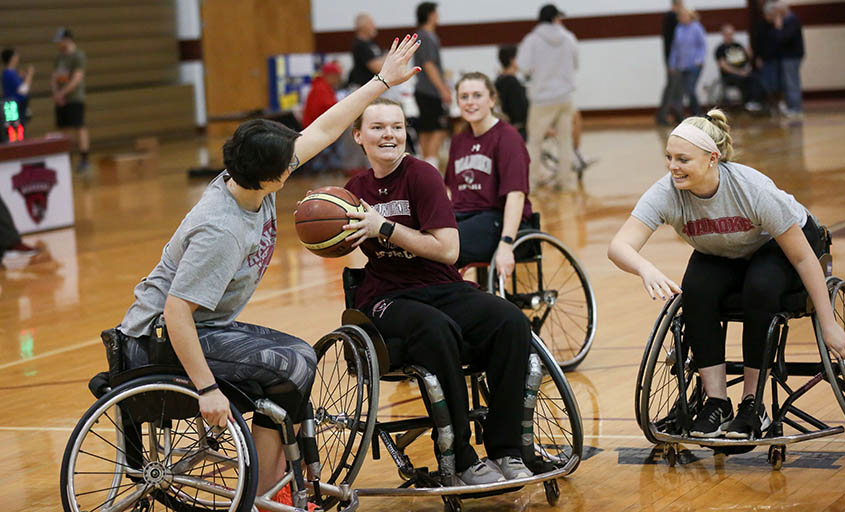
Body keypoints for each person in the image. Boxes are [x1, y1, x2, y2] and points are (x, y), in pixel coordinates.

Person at [116, 35, 421, 497]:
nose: (295, 164)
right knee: (289, 365)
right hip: (156, 340)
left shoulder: (250, 181)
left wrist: (380, 81)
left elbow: (321, 131)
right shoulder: (221, 229)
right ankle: (263, 493)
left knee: (301, 355)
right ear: (272, 175)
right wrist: (205, 390)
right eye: (289, 164)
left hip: (202, 327)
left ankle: (286, 477)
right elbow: (176, 311)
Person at [608, 109, 845, 439]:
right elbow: (619, 245)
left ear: (712, 158)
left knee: (760, 288)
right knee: (695, 291)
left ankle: (752, 406)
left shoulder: (752, 189)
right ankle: (717, 403)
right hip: (727, 250)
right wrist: (644, 267)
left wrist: (828, 322)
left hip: (782, 246)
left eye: (683, 159)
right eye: (669, 157)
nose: (672, 167)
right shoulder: (667, 192)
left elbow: (803, 258)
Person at [343, 97, 535, 485]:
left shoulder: (422, 175)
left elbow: (449, 250)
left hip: (440, 284)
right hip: (387, 296)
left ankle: (507, 450)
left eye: (397, 126)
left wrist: (385, 228)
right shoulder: (352, 191)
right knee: (435, 328)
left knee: (511, 321)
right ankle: (461, 457)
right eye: (379, 127)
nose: (390, 135)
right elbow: (341, 247)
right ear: (359, 136)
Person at [445, 72, 532, 278]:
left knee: (443, 246)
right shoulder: (459, 140)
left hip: (497, 218)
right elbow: (449, 189)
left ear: (492, 99)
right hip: (463, 217)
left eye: (477, 95)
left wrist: (506, 243)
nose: (470, 102)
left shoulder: (507, 137)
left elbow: (516, 194)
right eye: (464, 97)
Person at [518, 4, 579, 190]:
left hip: (542, 99)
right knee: (565, 140)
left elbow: (523, 66)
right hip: (564, 97)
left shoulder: (532, 40)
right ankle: (566, 182)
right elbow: (576, 63)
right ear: (554, 18)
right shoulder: (569, 38)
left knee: (534, 142)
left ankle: (531, 183)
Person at [413, 2, 450, 170]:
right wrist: (443, 90)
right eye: (436, 12)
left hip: (423, 90)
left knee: (426, 128)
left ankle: (425, 165)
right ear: (430, 14)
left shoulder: (423, 35)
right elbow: (429, 65)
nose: (438, 16)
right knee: (438, 129)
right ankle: (431, 166)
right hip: (430, 91)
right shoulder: (427, 36)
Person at [51, 28, 90, 173]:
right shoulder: (59, 57)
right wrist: (56, 94)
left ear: (67, 40)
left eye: (60, 41)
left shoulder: (78, 56)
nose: (58, 44)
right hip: (61, 99)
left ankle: (84, 160)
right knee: (64, 130)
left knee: (79, 127)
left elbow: (76, 79)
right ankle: (67, 160)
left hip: (75, 98)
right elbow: (54, 77)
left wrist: (62, 93)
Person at [757, 1, 805, 118]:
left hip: (792, 57)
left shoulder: (791, 20)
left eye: (777, 11)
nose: (776, 14)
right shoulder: (786, 20)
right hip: (787, 57)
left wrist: (778, 28)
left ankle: (795, 108)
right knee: (788, 83)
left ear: (782, 10)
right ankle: (792, 107)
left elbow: (783, 38)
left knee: (792, 83)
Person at [302, 61, 344, 173]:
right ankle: (337, 166)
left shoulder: (323, 86)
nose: (338, 79)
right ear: (329, 76)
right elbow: (325, 110)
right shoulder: (320, 88)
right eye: (337, 76)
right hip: (315, 128)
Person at [668, 8, 706, 117]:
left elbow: (702, 46)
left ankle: (696, 113)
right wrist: (672, 64)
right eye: (680, 16)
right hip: (682, 65)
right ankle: (683, 114)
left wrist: (699, 59)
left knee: (690, 88)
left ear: (690, 16)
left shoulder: (697, 27)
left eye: (684, 15)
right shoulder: (678, 29)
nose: (682, 18)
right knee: (684, 90)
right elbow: (675, 48)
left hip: (694, 65)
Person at [715, 24, 762, 111]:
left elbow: (747, 60)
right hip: (729, 75)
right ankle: (747, 101)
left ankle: (755, 101)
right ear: (723, 35)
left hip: (742, 72)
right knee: (742, 79)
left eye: (731, 34)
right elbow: (724, 66)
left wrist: (750, 54)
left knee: (755, 77)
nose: (730, 36)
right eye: (727, 34)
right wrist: (739, 72)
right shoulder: (720, 49)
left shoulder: (738, 45)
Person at [656, 0, 684, 125]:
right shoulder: (672, 17)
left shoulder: (670, 18)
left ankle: (677, 115)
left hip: (673, 60)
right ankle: (663, 115)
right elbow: (673, 43)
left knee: (676, 88)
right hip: (673, 61)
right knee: (672, 88)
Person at [494, 45, 528, 140]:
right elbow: (521, 112)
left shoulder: (498, 81)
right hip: (519, 133)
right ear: (512, 60)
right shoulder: (512, 83)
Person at [347, 13, 384, 88]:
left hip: (374, 86)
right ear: (364, 27)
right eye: (371, 23)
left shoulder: (372, 43)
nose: (374, 26)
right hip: (364, 87)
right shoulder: (360, 45)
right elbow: (377, 68)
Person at [2, 48, 34, 125]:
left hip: (12, 105)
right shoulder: (10, 73)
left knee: (14, 130)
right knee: (16, 131)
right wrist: (29, 75)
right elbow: (23, 90)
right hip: (14, 106)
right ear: (12, 58)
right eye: (16, 56)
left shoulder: (10, 73)